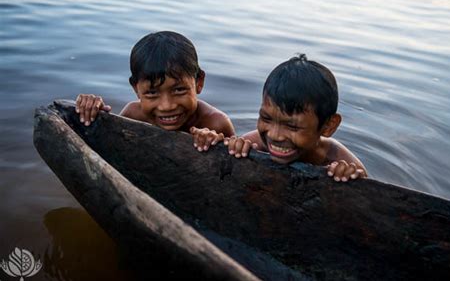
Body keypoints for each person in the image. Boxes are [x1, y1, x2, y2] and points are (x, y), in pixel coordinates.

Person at [193, 54, 367, 182]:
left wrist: (348, 178)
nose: (275, 135)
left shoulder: (341, 162)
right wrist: (229, 146)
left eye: (292, 127)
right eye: (266, 119)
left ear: (328, 126)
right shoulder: (254, 144)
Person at [75, 31, 235, 140]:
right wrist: (93, 115)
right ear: (136, 89)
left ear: (199, 82)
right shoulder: (133, 115)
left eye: (179, 90)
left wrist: (216, 143)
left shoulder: (216, 124)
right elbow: (113, 146)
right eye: (152, 93)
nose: (166, 106)